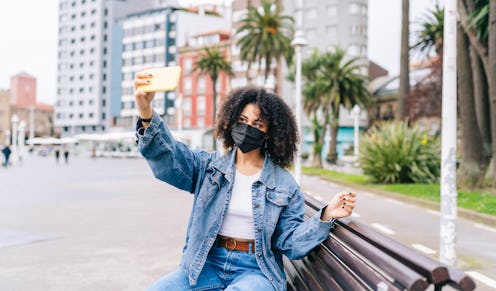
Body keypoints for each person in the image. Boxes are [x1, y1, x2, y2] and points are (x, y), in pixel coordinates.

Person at [134, 72, 357, 291]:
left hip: (255, 269)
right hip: (206, 264)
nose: (247, 128)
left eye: (257, 124)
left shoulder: (284, 185)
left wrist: (326, 215)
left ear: (270, 133)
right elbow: (170, 158)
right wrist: (146, 111)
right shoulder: (208, 168)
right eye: (242, 120)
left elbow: (290, 242)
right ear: (231, 122)